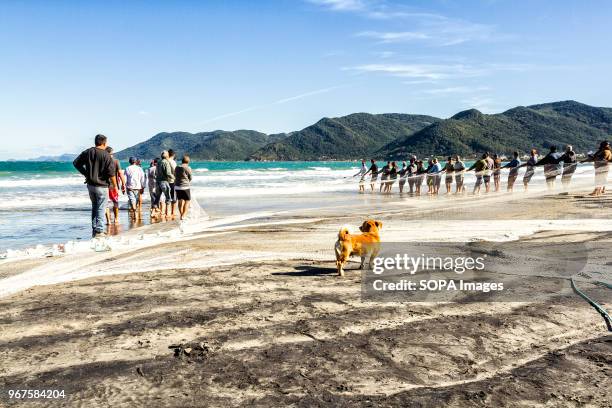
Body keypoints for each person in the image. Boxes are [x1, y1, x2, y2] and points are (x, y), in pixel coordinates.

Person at [73, 134, 118, 238]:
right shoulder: (106, 155)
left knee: (95, 207)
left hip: (90, 185)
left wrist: (86, 174)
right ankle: (99, 231)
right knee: (101, 207)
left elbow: (76, 163)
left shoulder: (88, 152)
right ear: (104, 143)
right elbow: (111, 173)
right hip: (102, 186)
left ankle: (95, 229)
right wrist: (115, 186)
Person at [104, 146, 126, 225]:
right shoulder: (116, 161)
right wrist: (123, 184)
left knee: (105, 203)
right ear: (112, 153)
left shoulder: (102, 161)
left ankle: (108, 221)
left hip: (103, 185)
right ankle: (116, 219)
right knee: (115, 201)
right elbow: (120, 173)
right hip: (114, 185)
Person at [124, 156, 146, 221]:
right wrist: (143, 186)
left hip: (130, 187)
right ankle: (135, 210)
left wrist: (124, 185)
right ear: (136, 162)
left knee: (132, 199)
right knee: (136, 200)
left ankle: (134, 210)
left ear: (129, 162)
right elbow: (142, 178)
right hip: (138, 187)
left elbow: (125, 178)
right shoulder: (139, 168)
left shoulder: (127, 168)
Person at [155, 150, 174, 219]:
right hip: (164, 182)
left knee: (158, 196)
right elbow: (168, 173)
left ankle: (155, 207)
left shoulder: (158, 162)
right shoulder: (166, 162)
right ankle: (167, 214)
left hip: (158, 182)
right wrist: (174, 178)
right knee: (168, 198)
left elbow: (156, 173)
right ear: (167, 156)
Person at [174, 155, 193, 220]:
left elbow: (175, 175)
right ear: (188, 162)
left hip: (177, 186)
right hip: (185, 187)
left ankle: (181, 214)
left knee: (180, 201)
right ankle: (184, 215)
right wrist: (187, 181)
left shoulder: (177, 167)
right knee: (187, 201)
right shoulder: (188, 168)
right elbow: (190, 177)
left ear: (182, 161)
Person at [168, 149, 178, 218]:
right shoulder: (173, 162)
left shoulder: (165, 161)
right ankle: (172, 212)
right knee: (174, 197)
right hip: (172, 181)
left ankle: (167, 212)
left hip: (165, 181)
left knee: (167, 197)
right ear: (173, 155)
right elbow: (175, 172)